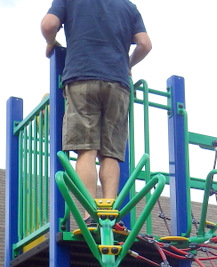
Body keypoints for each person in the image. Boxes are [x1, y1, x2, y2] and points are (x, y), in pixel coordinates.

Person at [41, 0, 152, 203]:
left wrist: (51, 42)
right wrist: (127, 64)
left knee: (86, 148)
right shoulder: (128, 7)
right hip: (118, 84)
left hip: (82, 76)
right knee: (110, 153)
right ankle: (109, 212)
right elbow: (145, 44)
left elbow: (49, 25)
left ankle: (90, 214)